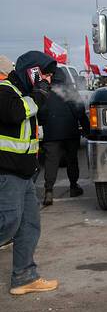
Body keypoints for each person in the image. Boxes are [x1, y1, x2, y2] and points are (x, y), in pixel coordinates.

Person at [0, 51, 59, 295]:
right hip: (6, 171)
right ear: (30, 71)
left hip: (23, 172)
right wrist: (39, 92)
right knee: (8, 222)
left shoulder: (23, 93)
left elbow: (34, 117)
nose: (46, 78)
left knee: (29, 226)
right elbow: (15, 113)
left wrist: (42, 94)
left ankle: (24, 277)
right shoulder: (4, 89)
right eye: (42, 73)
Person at [39, 67, 90, 206]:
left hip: (51, 134)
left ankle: (48, 191)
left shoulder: (45, 92)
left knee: (51, 163)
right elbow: (80, 111)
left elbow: (41, 113)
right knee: (72, 160)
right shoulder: (70, 91)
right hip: (70, 133)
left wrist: (45, 124)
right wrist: (87, 130)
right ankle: (74, 187)